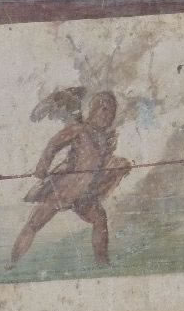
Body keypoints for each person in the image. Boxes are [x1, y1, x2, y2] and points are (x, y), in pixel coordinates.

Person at [9, 90, 130, 266]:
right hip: (65, 189)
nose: (108, 115)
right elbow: (53, 145)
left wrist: (119, 165)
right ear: (93, 110)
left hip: (85, 194)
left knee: (100, 219)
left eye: (112, 111)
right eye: (104, 109)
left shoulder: (106, 139)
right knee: (35, 223)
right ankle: (12, 262)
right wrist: (42, 167)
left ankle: (103, 264)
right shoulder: (79, 130)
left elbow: (101, 164)